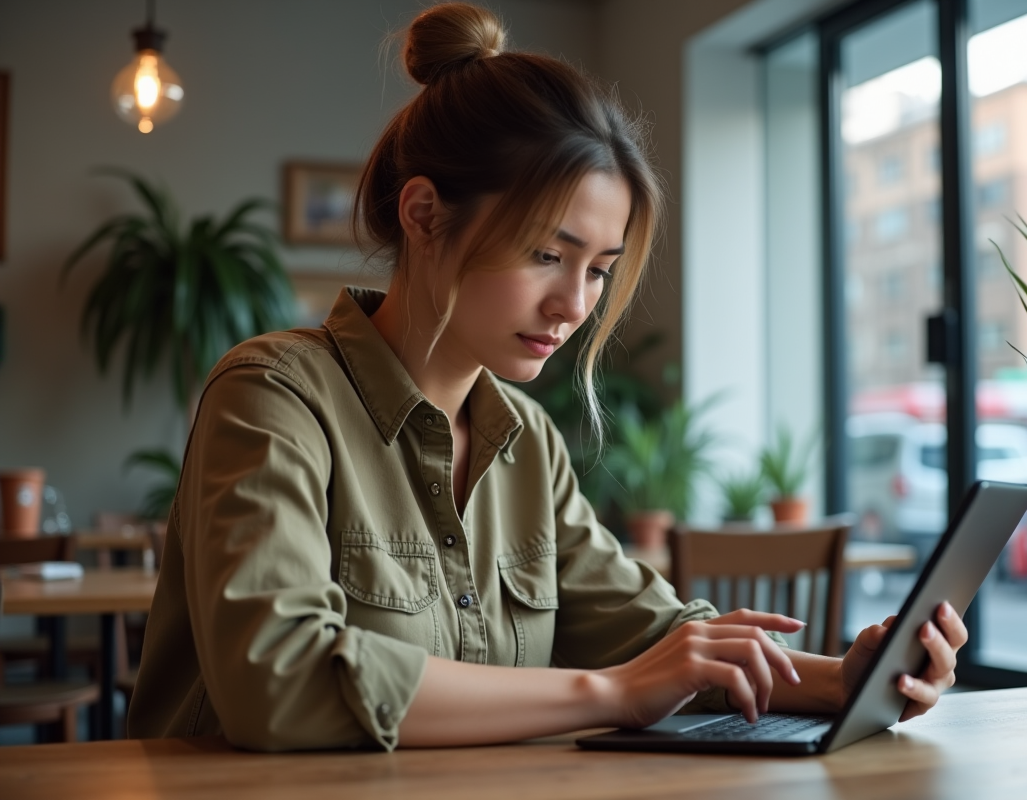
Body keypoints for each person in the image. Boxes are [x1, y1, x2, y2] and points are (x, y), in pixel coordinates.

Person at [128, 2, 966, 752]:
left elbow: (662, 639)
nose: (574, 304)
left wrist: (845, 678)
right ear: (424, 215)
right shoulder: (274, 396)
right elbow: (278, 682)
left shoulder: (526, 444)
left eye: (599, 268)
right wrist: (609, 693)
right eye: (545, 254)